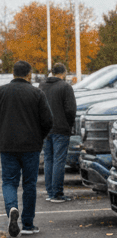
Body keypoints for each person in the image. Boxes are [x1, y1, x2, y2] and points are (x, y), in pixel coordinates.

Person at [0, 60, 52, 236]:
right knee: (29, 184)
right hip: (31, 146)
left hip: (7, 145)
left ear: (13, 73)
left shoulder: (2, 92)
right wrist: (39, 137)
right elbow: (48, 121)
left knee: (8, 182)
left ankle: (12, 208)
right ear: (29, 74)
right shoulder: (37, 93)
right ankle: (28, 224)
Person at [40, 62, 77, 202]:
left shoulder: (42, 85)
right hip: (61, 128)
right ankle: (57, 193)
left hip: (46, 129)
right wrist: (70, 125)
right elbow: (70, 110)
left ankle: (50, 192)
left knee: (48, 160)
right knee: (59, 161)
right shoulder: (65, 87)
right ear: (63, 72)